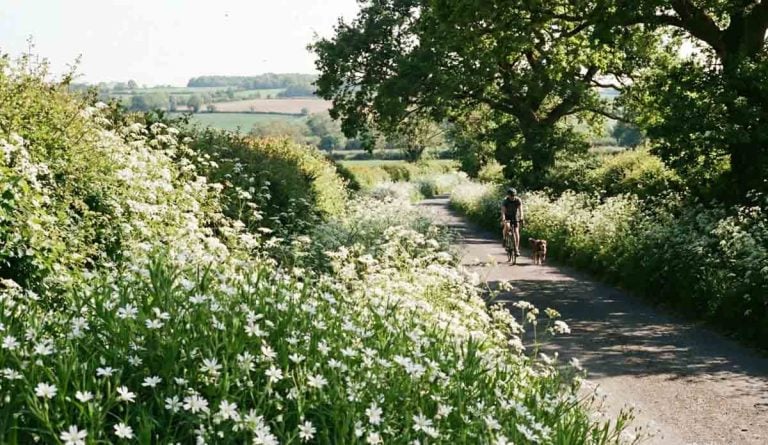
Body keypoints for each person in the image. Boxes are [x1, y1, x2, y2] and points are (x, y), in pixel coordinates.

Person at [500, 187, 524, 255]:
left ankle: (516, 249)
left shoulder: (518, 200)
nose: (513, 197)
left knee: (516, 232)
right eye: (511, 195)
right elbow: (503, 211)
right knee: (507, 226)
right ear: (508, 195)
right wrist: (503, 219)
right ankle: (504, 238)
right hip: (507, 216)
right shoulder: (505, 201)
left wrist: (521, 217)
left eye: (514, 195)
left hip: (515, 216)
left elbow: (521, 209)